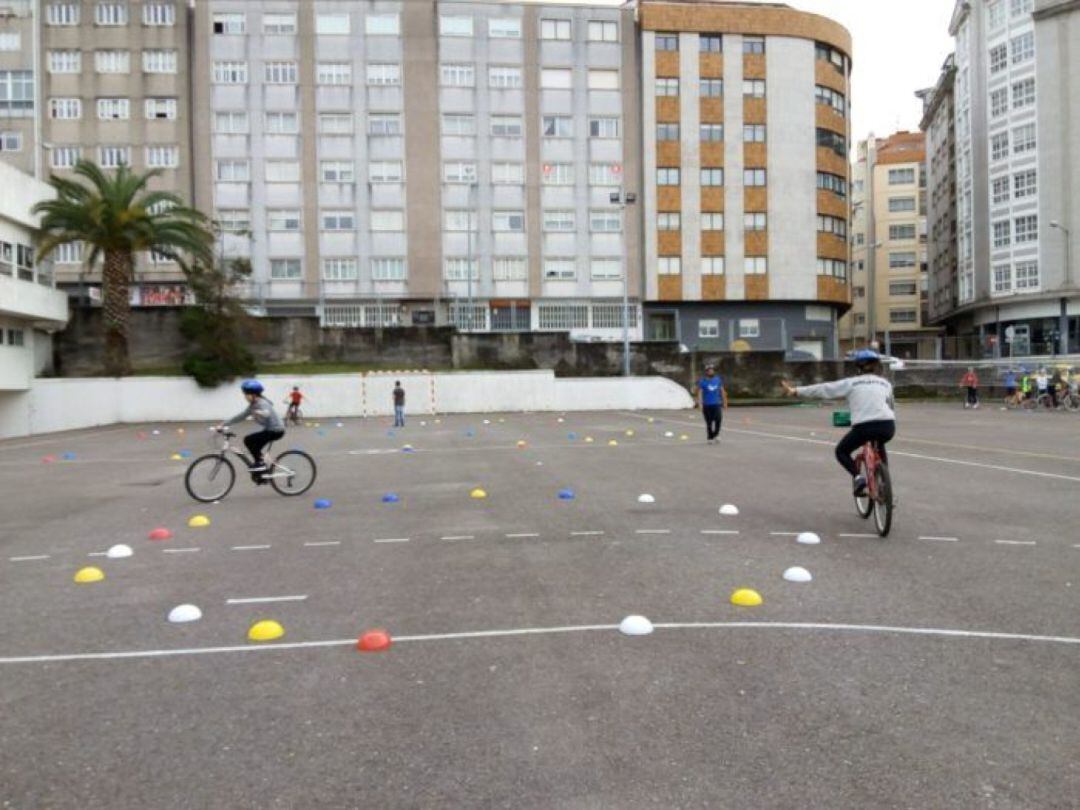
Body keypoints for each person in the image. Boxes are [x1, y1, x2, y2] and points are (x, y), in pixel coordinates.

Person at [781, 349, 896, 496]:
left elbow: (824, 389)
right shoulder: (886, 384)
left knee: (841, 451)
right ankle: (884, 483)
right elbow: (890, 406)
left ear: (858, 367)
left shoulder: (852, 383)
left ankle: (858, 478)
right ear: (877, 366)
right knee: (879, 444)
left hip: (864, 427)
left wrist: (796, 391)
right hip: (887, 426)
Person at [218, 379, 285, 477]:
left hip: (276, 430)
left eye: (246, 394)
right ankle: (260, 465)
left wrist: (259, 412)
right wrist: (223, 424)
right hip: (269, 430)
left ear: (254, 394)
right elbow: (241, 416)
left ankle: (260, 464)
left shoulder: (262, 403)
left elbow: (267, 412)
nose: (245, 396)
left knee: (249, 440)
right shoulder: (253, 405)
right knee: (252, 443)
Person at [694, 364, 728, 444]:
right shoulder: (702, 382)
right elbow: (700, 393)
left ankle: (716, 434)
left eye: (712, 370)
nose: (711, 371)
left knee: (718, 420)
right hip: (707, 405)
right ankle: (710, 437)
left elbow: (722, 391)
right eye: (709, 370)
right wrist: (700, 404)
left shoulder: (717, 379)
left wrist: (725, 402)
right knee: (709, 422)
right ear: (706, 372)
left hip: (716, 404)